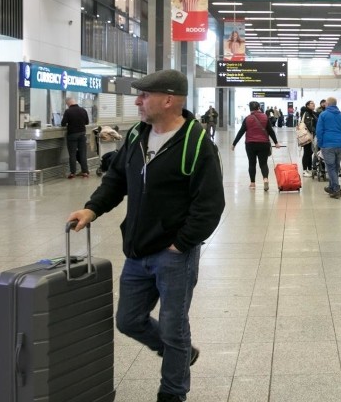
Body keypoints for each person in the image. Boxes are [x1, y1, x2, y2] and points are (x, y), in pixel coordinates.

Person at [66, 69, 225, 402]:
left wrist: (181, 243)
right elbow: (116, 179)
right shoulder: (138, 134)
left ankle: (172, 391)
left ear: (168, 100)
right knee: (127, 320)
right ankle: (179, 354)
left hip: (174, 256)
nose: (137, 101)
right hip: (137, 251)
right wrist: (91, 208)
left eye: (143, 95)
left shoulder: (197, 145)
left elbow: (210, 205)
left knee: (173, 327)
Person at [232, 101, 279, 190]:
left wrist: (234, 144)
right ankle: (265, 179)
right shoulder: (265, 117)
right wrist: (276, 142)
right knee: (263, 163)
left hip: (250, 144)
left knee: (252, 163)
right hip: (264, 144)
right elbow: (270, 131)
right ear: (259, 108)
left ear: (250, 109)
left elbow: (241, 132)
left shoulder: (247, 119)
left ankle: (252, 184)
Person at [315, 97, 341, 199]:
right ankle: (331, 187)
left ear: (328, 104)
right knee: (335, 167)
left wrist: (320, 144)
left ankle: (336, 189)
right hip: (340, 145)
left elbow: (319, 131)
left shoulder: (323, 115)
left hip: (328, 145)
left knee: (330, 167)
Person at [61, 97, 90, 179]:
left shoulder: (68, 111)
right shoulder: (83, 110)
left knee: (72, 154)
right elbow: (87, 122)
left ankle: (72, 173)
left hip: (72, 135)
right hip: (82, 134)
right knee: (83, 154)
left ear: (68, 103)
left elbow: (63, 123)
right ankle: (85, 172)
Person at [299, 100, 318, 177]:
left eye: (314, 103)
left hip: (311, 136)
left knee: (310, 153)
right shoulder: (307, 113)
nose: (313, 104)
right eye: (311, 103)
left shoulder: (312, 113)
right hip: (307, 136)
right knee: (307, 153)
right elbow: (309, 125)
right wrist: (316, 131)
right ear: (307, 106)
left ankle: (309, 169)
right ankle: (304, 170)